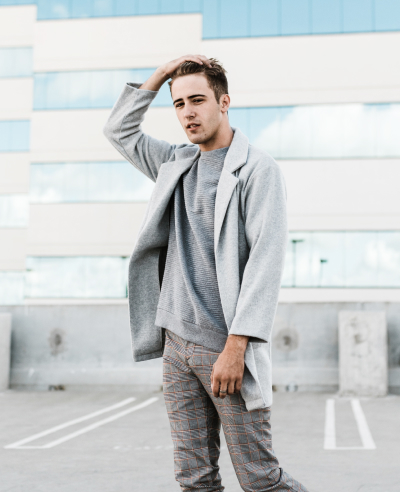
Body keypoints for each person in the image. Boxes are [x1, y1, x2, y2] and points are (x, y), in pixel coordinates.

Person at [103, 55, 308, 492]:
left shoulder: (258, 170)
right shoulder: (174, 163)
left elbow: (266, 262)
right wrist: (162, 74)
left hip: (226, 346)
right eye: (179, 104)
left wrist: (236, 347)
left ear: (224, 102)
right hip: (175, 346)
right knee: (194, 480)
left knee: (259, 478)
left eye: (197, 100)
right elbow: (119, 130)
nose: (187, 113)